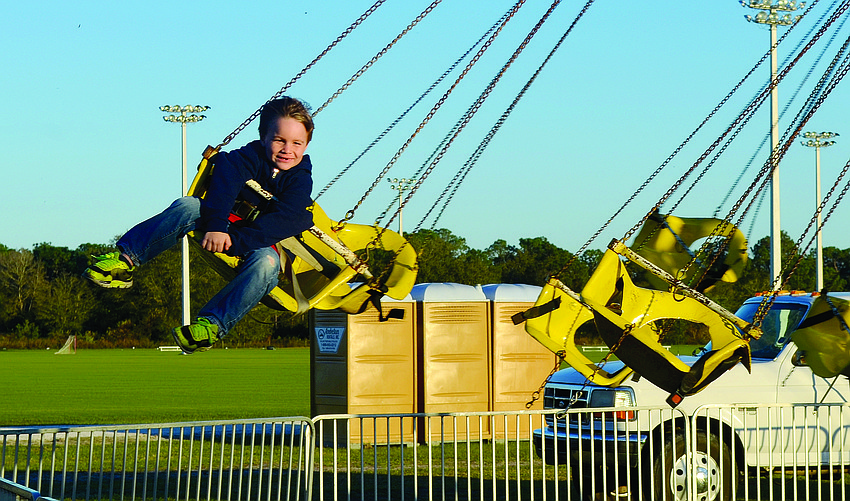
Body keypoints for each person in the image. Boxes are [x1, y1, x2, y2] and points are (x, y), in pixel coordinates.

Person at [84, 97, 315, 354]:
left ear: (306, 145)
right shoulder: (245, 159)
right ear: (263, 137)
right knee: (187, 206)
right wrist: (217, 226)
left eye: (297, 143)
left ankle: (211, 326)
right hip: (219, 222)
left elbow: (293, 217)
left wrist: (237, 242)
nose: (287, 149)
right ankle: (125, 260)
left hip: (255, 241)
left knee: (267, 264)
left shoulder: (300, 179)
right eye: (279, 140)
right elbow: (226, 175)